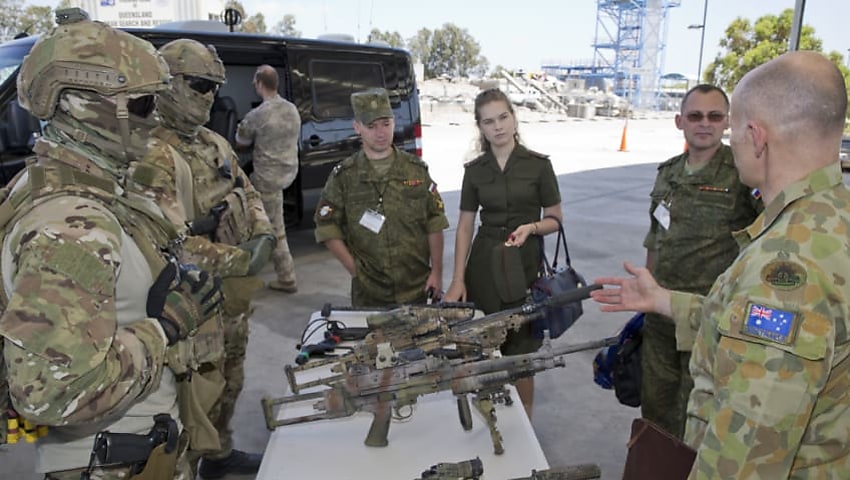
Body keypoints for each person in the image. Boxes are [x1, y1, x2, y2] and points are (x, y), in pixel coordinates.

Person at [592, 50, 850, 478]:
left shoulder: (784, 268)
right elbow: (745, 324)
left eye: (730, 128)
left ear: (756, 136)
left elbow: (745, 461)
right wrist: (665, 301)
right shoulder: (831, 218)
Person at [0, 10, 224, 479]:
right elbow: (53, 391)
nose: (154, 119)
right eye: (143, 106)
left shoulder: (83, 186)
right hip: (111, 463)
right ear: (84, 104)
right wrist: (165, 329)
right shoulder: (71, 226)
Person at [132, 38, 273, 479]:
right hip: (188, 305)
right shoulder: (148, 152)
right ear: (169, 85)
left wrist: (263, 233)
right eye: (198, 84)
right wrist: (239, 260)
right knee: (192, 397)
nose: (210, 94)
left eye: (214, 85)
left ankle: (220, 453)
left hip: (231, 300)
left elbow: (247, 193)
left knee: (231, 380)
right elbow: (166, 241)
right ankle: (193, 464)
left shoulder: (214, 142)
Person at [640, 84, 761, 439]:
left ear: (727, 122)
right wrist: (645, 291)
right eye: (695, 116)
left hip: (710, 317)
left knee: (704, 415)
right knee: (657, 411)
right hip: (660, 314)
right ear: (680, 121)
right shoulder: (668, 173)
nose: (704, 124)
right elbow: (655, 236)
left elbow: (767, 235)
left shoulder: (742, 174)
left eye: (714, 116)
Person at [443, 88, 563, 417]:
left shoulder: (538, 166)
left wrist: (532, 228)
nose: (497, 126)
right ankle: (487, 415)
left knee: (521, 351)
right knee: (480, 345)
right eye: (488, 121)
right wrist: (456, 279)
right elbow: (465, 225)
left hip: (524, 264)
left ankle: (525, 421)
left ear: (513, 117)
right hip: (484, 264)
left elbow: (555, 218)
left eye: (503, 117)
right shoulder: (475, 170)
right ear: (479, 127)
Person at [314, 88, 449, 307]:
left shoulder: (416, 170)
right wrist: (355, 270)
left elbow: (435, 221)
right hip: (369, 292)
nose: (380, 132)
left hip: (417, 286)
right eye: (371, 126)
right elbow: (326, 227)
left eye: (386, 124)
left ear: (394, 123)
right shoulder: (345, 176)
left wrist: (437, 272)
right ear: (357, 127)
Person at [235, 65, 300, 293]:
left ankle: (287, 278)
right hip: (287, 175)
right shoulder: (292, 109)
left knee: (274, 228)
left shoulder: (258, 114)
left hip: (265, 181)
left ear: (259, 84)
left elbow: (241, 143)